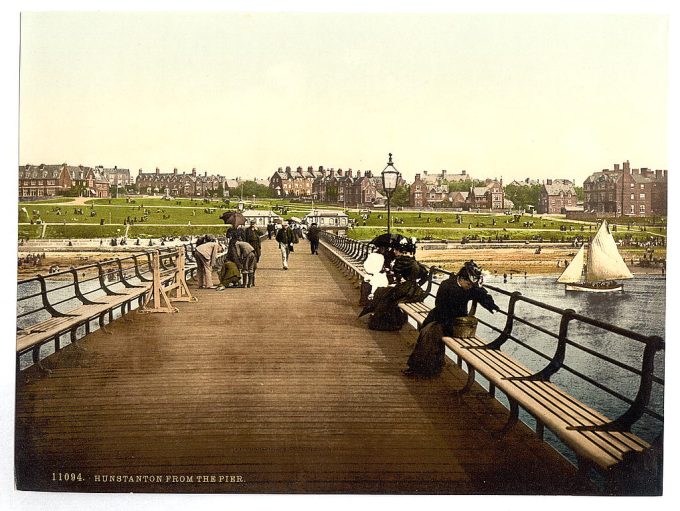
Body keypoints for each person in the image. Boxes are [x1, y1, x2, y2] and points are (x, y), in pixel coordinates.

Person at [403, 261, 499, 377]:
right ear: (461, 279)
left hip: (457, 322)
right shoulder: (446, 285)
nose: (469, 287)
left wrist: (492, 306)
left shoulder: (470, 288)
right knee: (427, 332)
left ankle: (425, 368)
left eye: (471, 285)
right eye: (468, 284)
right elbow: (440, 305)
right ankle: (422, 368)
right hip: (441, 317)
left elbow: (483, 296)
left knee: (429, 333)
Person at [360, 238, 428, 331]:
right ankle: (393, 319)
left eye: (395, 250)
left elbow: (398, 278)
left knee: (385, 295)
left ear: (399, 251)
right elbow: (425, 276)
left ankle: (385, 320)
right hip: (415, 291)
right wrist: (417, 284)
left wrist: (401, 280)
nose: (394, 252)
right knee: (385, 293)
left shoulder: (401, 261)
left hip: (405, 290)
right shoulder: (414, 262)